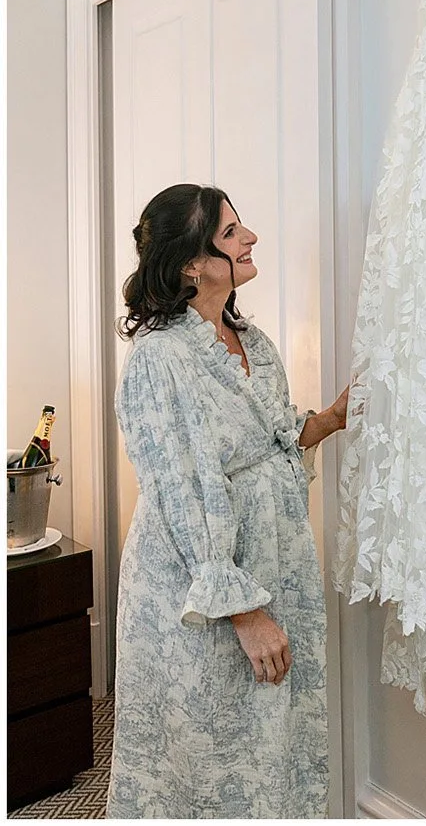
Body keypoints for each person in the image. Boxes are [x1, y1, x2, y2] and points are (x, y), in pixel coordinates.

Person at [110, 184, 349, 817]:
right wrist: (243, 613)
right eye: (231, 233)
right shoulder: (159, 361)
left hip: (271, 561)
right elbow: (180, 494)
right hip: (199, 582)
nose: (250, 239)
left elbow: (271, 440)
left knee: (269, 735)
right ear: (191, 263)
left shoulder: (253, 340)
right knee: (206, 746)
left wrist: (332, 417)